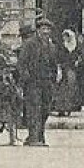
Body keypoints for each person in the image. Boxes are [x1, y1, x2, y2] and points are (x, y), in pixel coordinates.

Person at [17, 18, 61, 147]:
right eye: (43, 29)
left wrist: (54, 78)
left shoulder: (52, 46)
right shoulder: (30, 44)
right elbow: (22, 63)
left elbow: (54, 64)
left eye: (48, 29)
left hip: (47, 82)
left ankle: (38, 136)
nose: (46, 32)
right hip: (33, 82)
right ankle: (34, 138)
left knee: (45, 110)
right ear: (38, 30)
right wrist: (26, 78)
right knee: (34, 109)